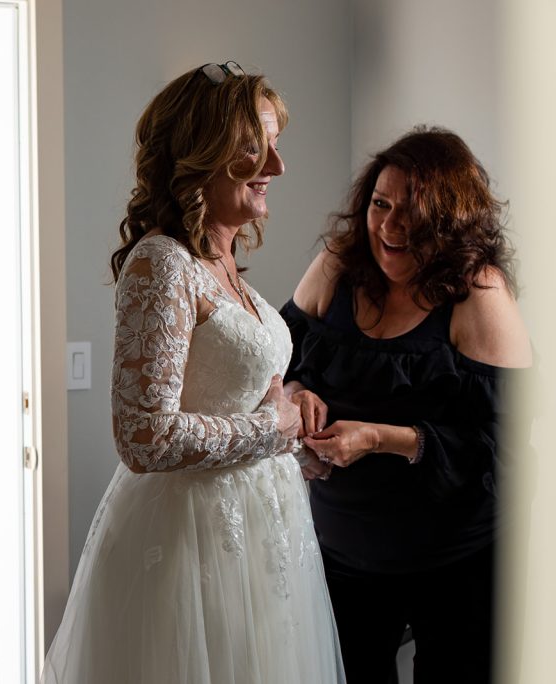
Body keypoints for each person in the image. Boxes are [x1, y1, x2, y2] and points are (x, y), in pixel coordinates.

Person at [40, 62, 345, 684]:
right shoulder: (162, 264)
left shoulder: (227, 268)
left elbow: (240, 395)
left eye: (275, 147)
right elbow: (143, 437)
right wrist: (273, 427)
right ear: (201, 155)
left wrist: (295, 419)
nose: (278, 168)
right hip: (191, 542)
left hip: (265, 533)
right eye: (255, 149)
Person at [280, 127, 531, 683]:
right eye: (379, 204)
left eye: (411, 212)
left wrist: (380, 438)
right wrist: (297, 397)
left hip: (455, 566)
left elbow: (504, 452)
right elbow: (274, 362)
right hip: (341, 558)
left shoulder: (478, 294)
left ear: (450, 218)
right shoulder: (337, 267)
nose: (389, 227)